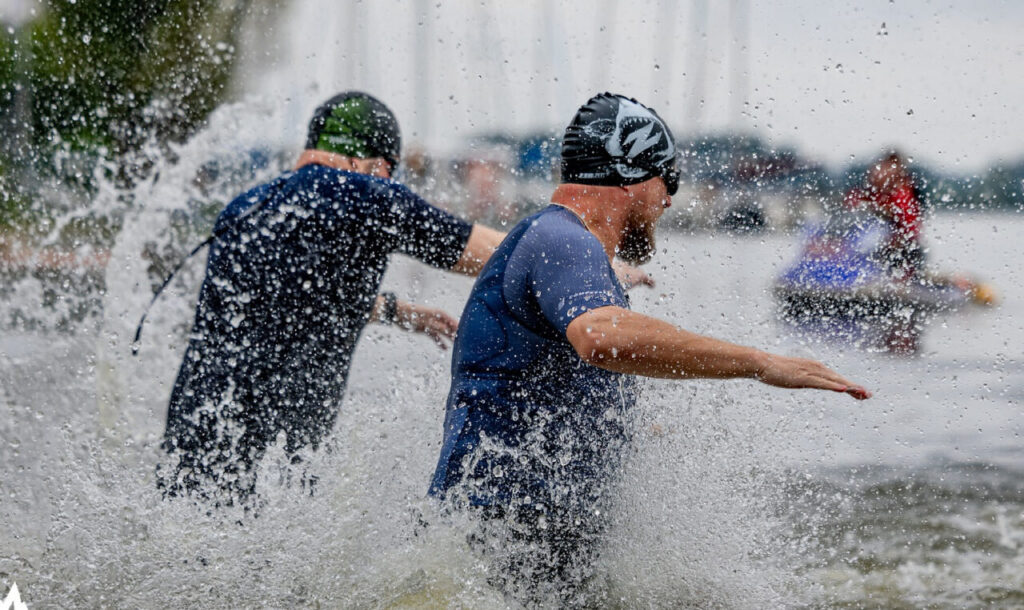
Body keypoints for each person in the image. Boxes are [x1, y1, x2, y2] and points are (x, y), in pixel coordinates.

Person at [428, 93, 871, 605]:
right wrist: (761, 364)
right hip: (506, 547)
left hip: (530, 544)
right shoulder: (559, 237)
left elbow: (545, 390)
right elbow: (600, 338)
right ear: (633, 175)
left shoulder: (569, 250)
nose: (669, 200)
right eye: (670, 181)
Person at [158, 91, 507, 507]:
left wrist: (397, 311)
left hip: (190, 440)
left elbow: (292, 301)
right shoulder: (366, 196)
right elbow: (515, 252)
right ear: (377, 165)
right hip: (274, 466)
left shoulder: (244, 208)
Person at [844, 150, 926, 281]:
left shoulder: (903, 192)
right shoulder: (875, 192)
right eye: (881, 168)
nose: (881, 173)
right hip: (887, 249)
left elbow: (908, 225)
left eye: (888, 169)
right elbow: (852, 202)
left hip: (904, 250)